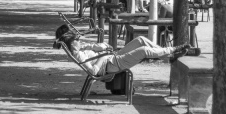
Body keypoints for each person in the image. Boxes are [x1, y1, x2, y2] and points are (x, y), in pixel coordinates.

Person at [54, 25, 190, 76]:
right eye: (76, 39)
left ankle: (169, 57)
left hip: (113, 57)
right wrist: (102, 55)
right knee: (143, 50)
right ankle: (173, 49)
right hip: (112, 64)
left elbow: (97, 47)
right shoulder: (78, 55)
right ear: (71, 43)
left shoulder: (80, 47)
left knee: (141, 39)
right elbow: (94, 71)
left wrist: (98, 47)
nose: (79, 39)